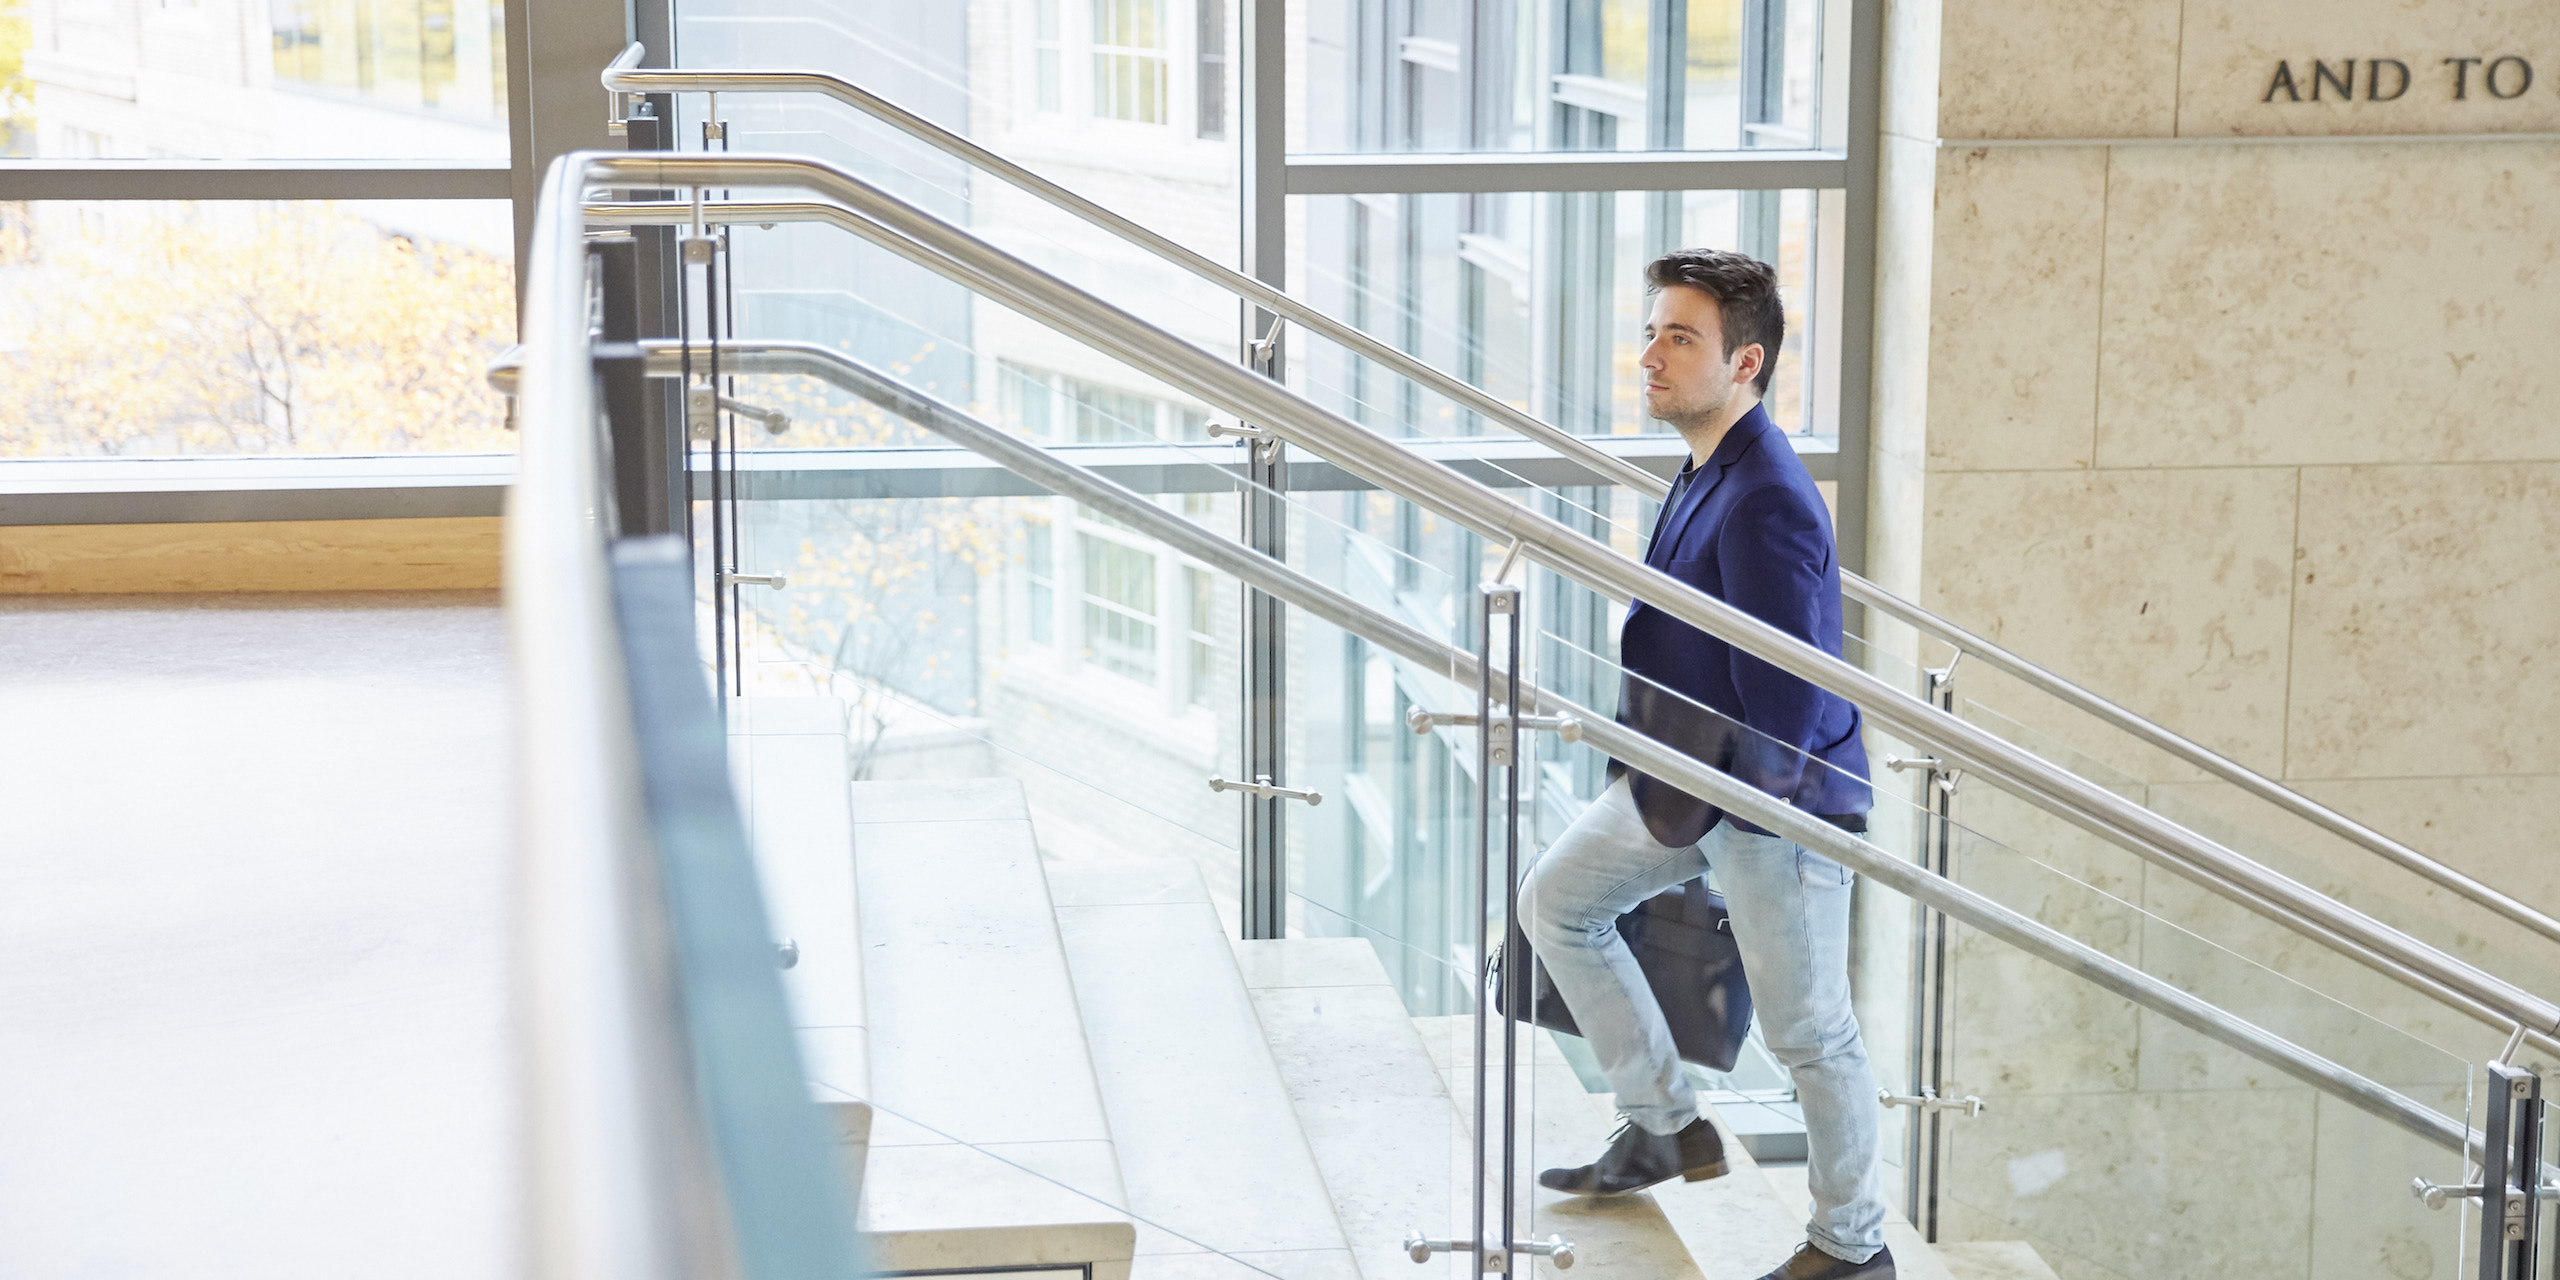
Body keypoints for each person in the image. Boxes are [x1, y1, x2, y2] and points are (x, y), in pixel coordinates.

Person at [1519, 249, 1889, 1279]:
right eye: (1650, 330)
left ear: (1746, 361)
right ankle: (1663, 1123)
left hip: (1773, 805)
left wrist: (1736, 837)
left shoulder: (1766, 495)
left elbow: (1789, 696)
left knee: (1809, 1031)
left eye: (1679, 337)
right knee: (1556, 899)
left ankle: (1853, 1247)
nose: (1650, 354)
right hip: (1689, 781)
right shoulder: (1704, 464)